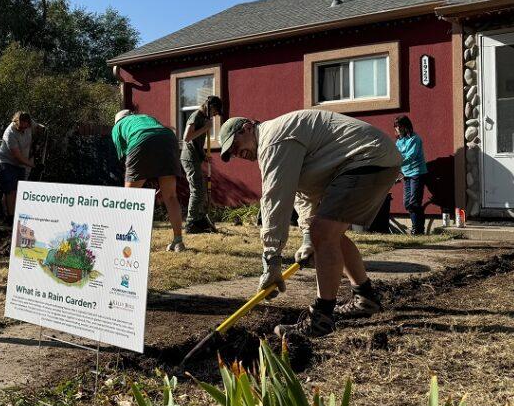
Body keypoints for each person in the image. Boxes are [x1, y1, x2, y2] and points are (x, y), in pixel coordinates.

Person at [218, 109, 402, 339]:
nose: (236, 153)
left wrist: (272, 259)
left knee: (324, 234)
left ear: (246, 127)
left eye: (234, 145)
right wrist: (307, 238)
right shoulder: (280, 141)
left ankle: (321, 318)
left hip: (368, 158)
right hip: (371, 159)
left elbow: (276, 199)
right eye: (231, 153)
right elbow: (303, 193)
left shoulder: (273, 139)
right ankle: (365, 298)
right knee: (329, 235)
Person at [111, 110, 187, 252]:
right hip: (168, 138)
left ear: (117, 121)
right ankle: (178, 241)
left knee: (128, 199)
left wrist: (136, 178)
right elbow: (156, 138)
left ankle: (128, 242)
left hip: (141, 139)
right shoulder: (146, 116)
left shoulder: (117, 127)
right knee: (170, 197)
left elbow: (125, 158)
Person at [180, 95, 225, 234]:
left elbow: (196, 141)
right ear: (210, 107)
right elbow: (186, 137)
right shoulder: (196, 116)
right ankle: (190, 223)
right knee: (197, 190)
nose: (214, 115)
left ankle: (198, 219)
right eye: (215, 112)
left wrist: (202, 154)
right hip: (189, 158)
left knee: (200, 189)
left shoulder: (204, 118)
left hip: (196, 157)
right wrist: (205, 128)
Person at [0, 112, 34, 223]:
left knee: (18, 190)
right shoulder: (10, 133)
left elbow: (40, 128)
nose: (23, 129)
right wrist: (32, 165)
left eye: (25, 127)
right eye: (21, 127)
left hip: (22, 162)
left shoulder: (30, 124)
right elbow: (17, 156)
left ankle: (10, 214)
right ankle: (10, 217)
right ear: (16, 122)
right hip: (7, 161)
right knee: (10, 190)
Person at [394, 115, 428, 235]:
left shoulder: (415, 139)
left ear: (405, 126)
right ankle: (417, 228)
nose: (397, 129)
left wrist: (397, 162)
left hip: (417, 173)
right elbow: (396, 157)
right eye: (396, 126)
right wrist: (394, 173)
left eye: (399, 126)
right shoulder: (399, 141)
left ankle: (417, 229)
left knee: (414, 202)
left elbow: (410, 156)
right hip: (407, 174)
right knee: (407, 203)